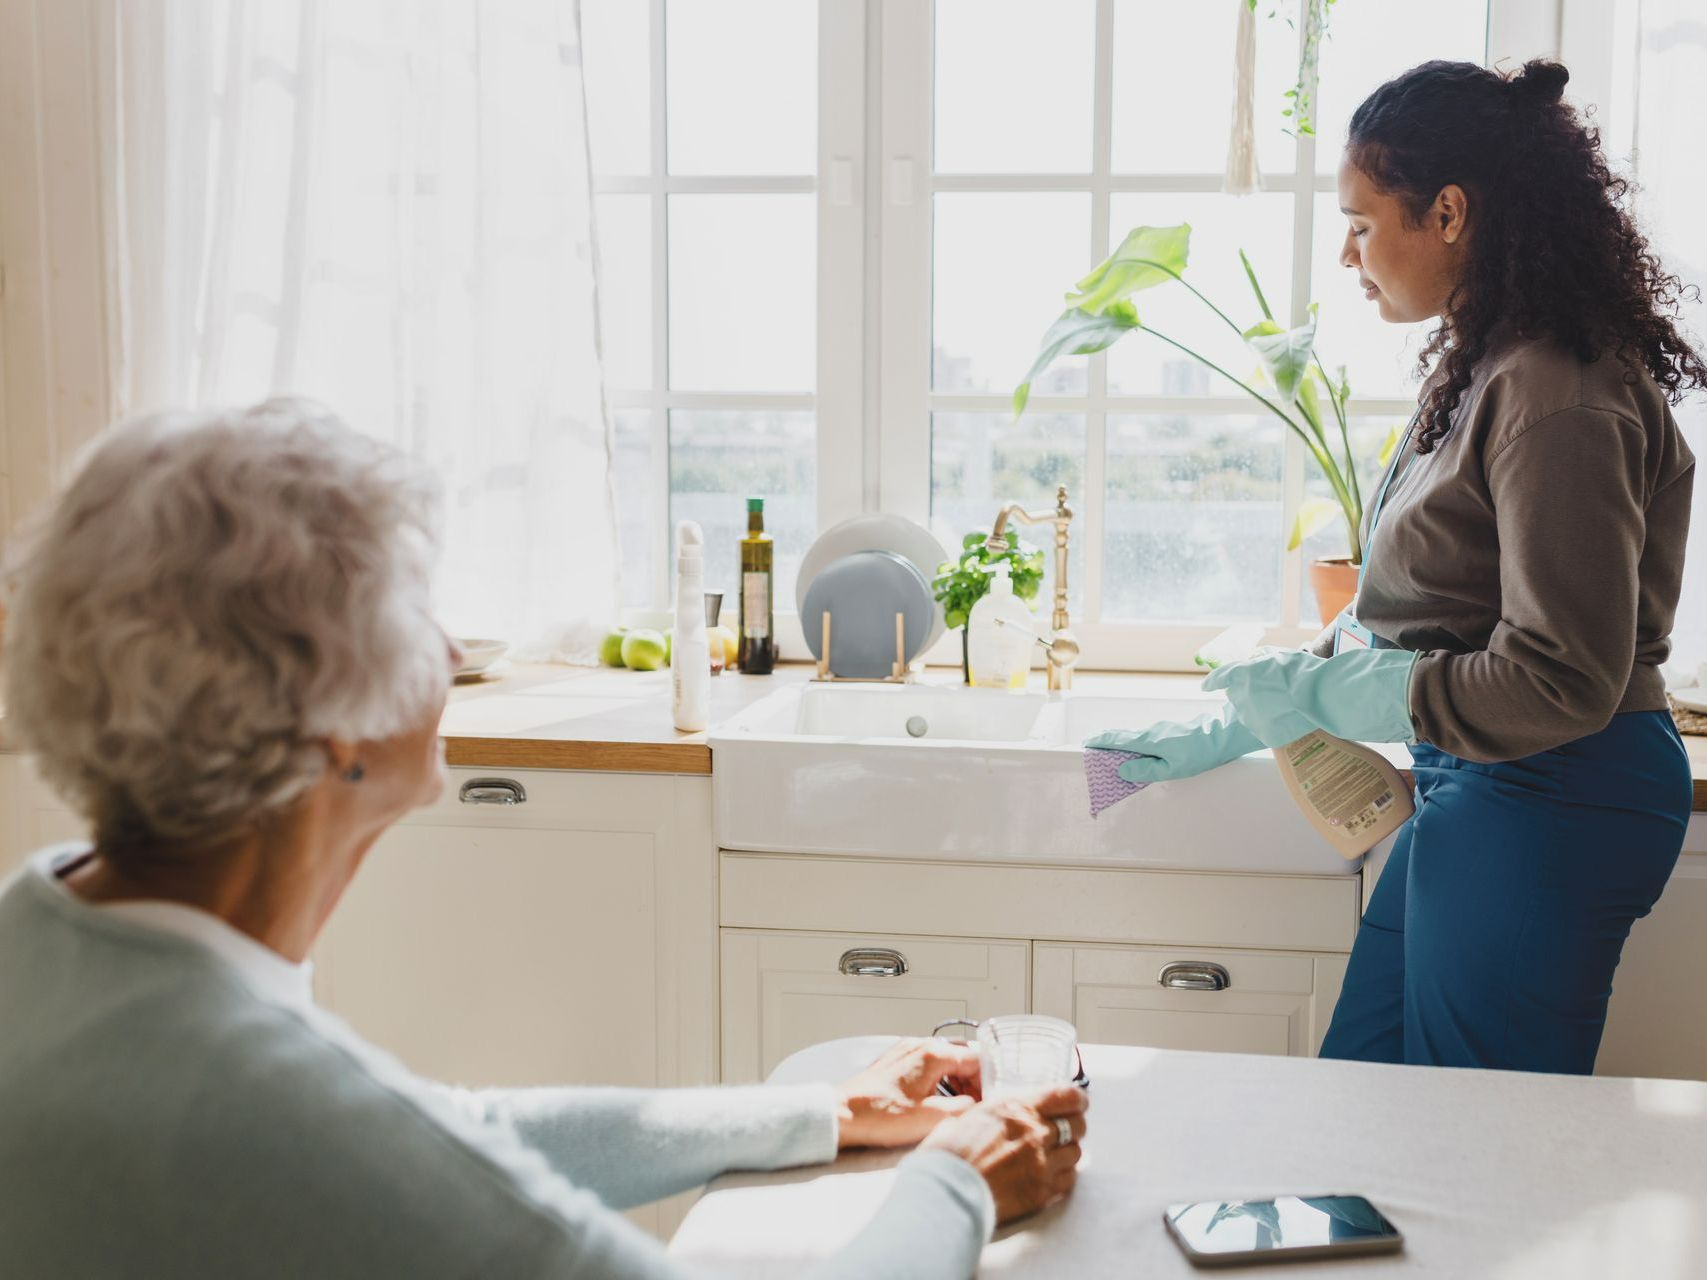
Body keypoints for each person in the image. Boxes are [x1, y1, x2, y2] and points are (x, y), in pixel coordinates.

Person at [0, 399, 1088, 1277]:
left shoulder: (46, 921)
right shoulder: (262, 1107)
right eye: (415, 613)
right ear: (337, 729)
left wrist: (817, 1111)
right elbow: (370, 1142)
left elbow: (443, 1133)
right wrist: (961, 1178)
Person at [1089, 59, 1704, 1075]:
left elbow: (1563, 675)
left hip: (1554, 790)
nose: (1346, 252)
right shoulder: (1489, 366)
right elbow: (1434, 607)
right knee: (1367, 1101)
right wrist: (1256, 707)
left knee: (1462, 1146)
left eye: (1364, 222)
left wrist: (1344, 686)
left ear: (1450, 213)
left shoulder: (1555, 391)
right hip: (1490, 786)